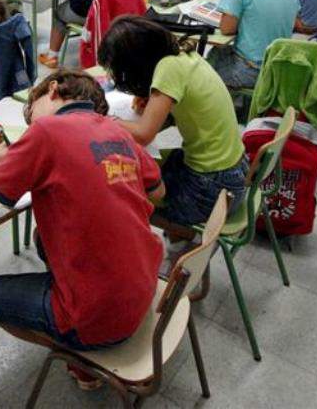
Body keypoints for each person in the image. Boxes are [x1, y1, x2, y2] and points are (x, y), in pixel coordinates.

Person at [0, 69, 164, 390]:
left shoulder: (45, 132)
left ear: (53, 90)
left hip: (99, 317)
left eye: (32, 112)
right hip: (144, 286)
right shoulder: (119, 132)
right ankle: (81, 336)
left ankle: (79, 355)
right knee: (44, 238)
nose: (31, 123)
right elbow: (158, 191)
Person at [98, 16, 247, 255]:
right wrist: (153, 98)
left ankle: (190, 243)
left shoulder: (168, 71)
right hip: (234, 171)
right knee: (149, 170)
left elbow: (145, 134)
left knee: (127, 196)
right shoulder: (184, 55)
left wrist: (102, 119)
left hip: (211, 189)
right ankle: (181, 241)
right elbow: (183, 106)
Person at [208, 0, 300, 90]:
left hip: (251, 70)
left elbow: (227, 29)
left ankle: (222, 107)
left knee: (207, 65)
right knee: (220, 53)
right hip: (280, 66)